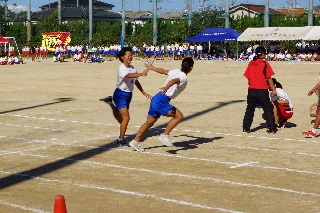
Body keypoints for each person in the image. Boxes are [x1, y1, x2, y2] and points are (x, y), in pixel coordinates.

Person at [129, 57, 194, 152]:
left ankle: (135, 141)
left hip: (156, 98)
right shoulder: (183, 77)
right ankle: (165, 134)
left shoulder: (175, 71)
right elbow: (174, 81)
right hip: (161, 100)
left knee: (149, 123)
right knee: (179, 116)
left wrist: (151, 67)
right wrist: (167, 87)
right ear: (191, 68)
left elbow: (163, 71)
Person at [100, 47, 151, 146]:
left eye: (131, 56)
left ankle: (110, 103)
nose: (130, 57)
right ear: (122, 57)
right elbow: (128, 75)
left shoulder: (133, 68)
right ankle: (120, 139)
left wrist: (143, 92)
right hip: (120, 94)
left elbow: (135, 80)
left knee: (122, 120)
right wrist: (141, 73)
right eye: (128, 56)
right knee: (126, 118)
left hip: (128, 95)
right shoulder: (122, 68)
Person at [243, 46, 278, 134]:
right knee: (267, 109)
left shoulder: (251, 63)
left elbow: (248, 77)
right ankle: (272, 128)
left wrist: (251, 84)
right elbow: (269, 78)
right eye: (265, 53)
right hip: (262, 89)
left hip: (252, 89)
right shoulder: (264, 63)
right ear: (262, 54)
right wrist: (273, 89)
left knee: (250, 109)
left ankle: (246, 127)